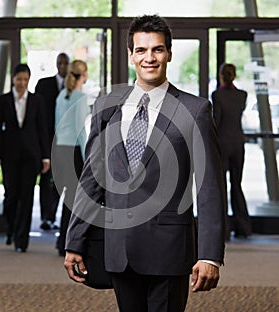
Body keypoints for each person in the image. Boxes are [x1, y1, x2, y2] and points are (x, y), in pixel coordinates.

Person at [64, 15, 226, 312]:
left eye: (157, 49)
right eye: (141, 50)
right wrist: (75, 240)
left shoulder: (195, 109)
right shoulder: (107, 106)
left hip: (169, 250)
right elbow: (91, 179)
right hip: (119, 250)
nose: (149, 57)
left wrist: (210, 255)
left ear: (169, 54)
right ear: (131, 55)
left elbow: (210, 187)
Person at [0, 63, 50, 252]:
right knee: (10, 196)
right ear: (13, 79)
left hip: (31, 156)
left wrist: (45, 156)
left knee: (26, 197)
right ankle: (10, 228)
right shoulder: (3, 100)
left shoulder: (37, 100)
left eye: (25, 79)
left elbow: (42, 129)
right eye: (19, 79)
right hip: (9, 155)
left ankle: (21, 241)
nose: (22, 83)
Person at [52, 60, 90, 256]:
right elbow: (81, 131)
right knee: (76, 200)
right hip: (74, 151)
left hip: (60, 149)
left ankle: (62, 241)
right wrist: (86, 157)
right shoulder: (80, 97)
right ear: (84, 75)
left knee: (68, 197)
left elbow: (57, 127)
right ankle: (68, 242)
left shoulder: (61, 96)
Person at [212, 63, 252, 240]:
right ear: (234, 76)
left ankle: (224, 230)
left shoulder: (217, 95)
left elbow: (217, 120)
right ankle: (243, 228)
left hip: (222, 144)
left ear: (221, 76)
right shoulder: (242, 95)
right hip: (238, 143)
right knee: (237, 184)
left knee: (221, 187)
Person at [35, 52, 70, 231]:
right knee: (45, 180)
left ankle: (52, 215)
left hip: (66, 143)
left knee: (60, 181)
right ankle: (45, 217)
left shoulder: (73, 87)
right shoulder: (44, 84)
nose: (63, 66)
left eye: (66, 63)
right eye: (60, 63)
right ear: (56, 64)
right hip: (47, 141)